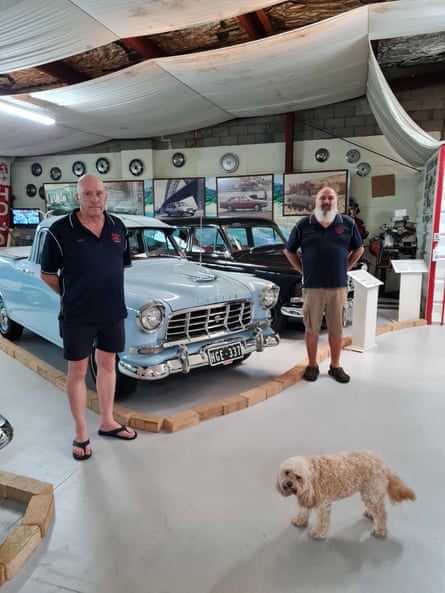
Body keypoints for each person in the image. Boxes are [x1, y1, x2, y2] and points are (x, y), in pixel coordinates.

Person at [40, 174, 137, 461]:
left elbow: (120, 266)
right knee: (78, 371)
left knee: (108, 365)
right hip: (78, 315)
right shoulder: (60, 231)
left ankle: (107, 422)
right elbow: (47, 275)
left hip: (111, 313)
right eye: (88, 194)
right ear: (77, 198)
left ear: (106, 196)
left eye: (99, 193)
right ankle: (81, 432)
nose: (95, 199)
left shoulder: (118, 227)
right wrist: (73, 294)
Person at [284, 186, 364, 383]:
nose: (326, 202)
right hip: (312, 287)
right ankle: (312, 365)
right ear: (316, 202)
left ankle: (335, 366)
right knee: (311, 328)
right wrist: (302, 270)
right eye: (322, 198)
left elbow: (359, 249)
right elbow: (289, 251)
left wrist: (346, 267)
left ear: (336, 202)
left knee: (336, 328)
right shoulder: (304, 224)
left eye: (330, 198)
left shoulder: (347, 223)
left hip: (338, 286)